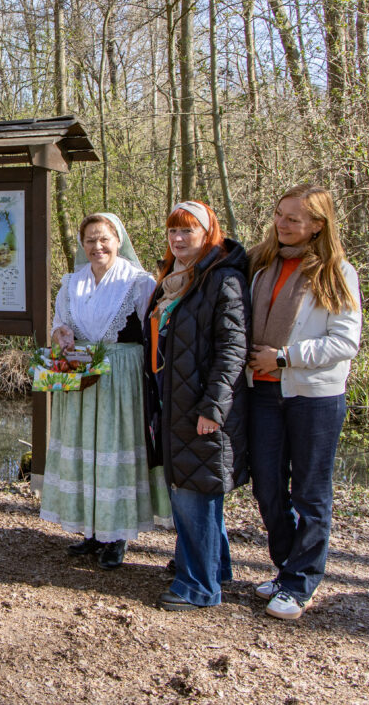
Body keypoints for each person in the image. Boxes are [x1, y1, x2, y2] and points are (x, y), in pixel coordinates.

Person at [247, 183, 362, 620]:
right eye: (279, 214)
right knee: (268, 489)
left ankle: (300, 582)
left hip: (313, 396)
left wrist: (285, 358)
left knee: (310, 494)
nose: (282, 224)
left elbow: (344, 342)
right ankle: (286, 568)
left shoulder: (336, 273)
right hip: (262, 392)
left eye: (293, 219)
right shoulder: (262, 266)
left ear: (317, 225)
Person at [39, 213, 170, 570]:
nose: (97, 246)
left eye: (104, 239)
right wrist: (60, 335)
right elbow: (59, 323)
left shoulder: (138, 283)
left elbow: (154, 333)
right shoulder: (72, 283)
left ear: (118, 240)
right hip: (80, 375)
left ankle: (117, 535)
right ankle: (91, 531)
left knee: (113, 447)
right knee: (86, 450)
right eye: (90, 240)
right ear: (81, 244)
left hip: (121, 378)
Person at [142, 201, 250, 610]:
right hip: (172, 401)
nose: (178, 238)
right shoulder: (173, 278)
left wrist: (213, 408)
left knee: (194, 493)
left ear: (209, 234)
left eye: (188, 231)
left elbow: (232, 350)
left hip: (200, 405)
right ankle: (213, 567)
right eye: (173, 231)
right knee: (196, 490)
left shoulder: (222, 280)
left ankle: (199, 587)